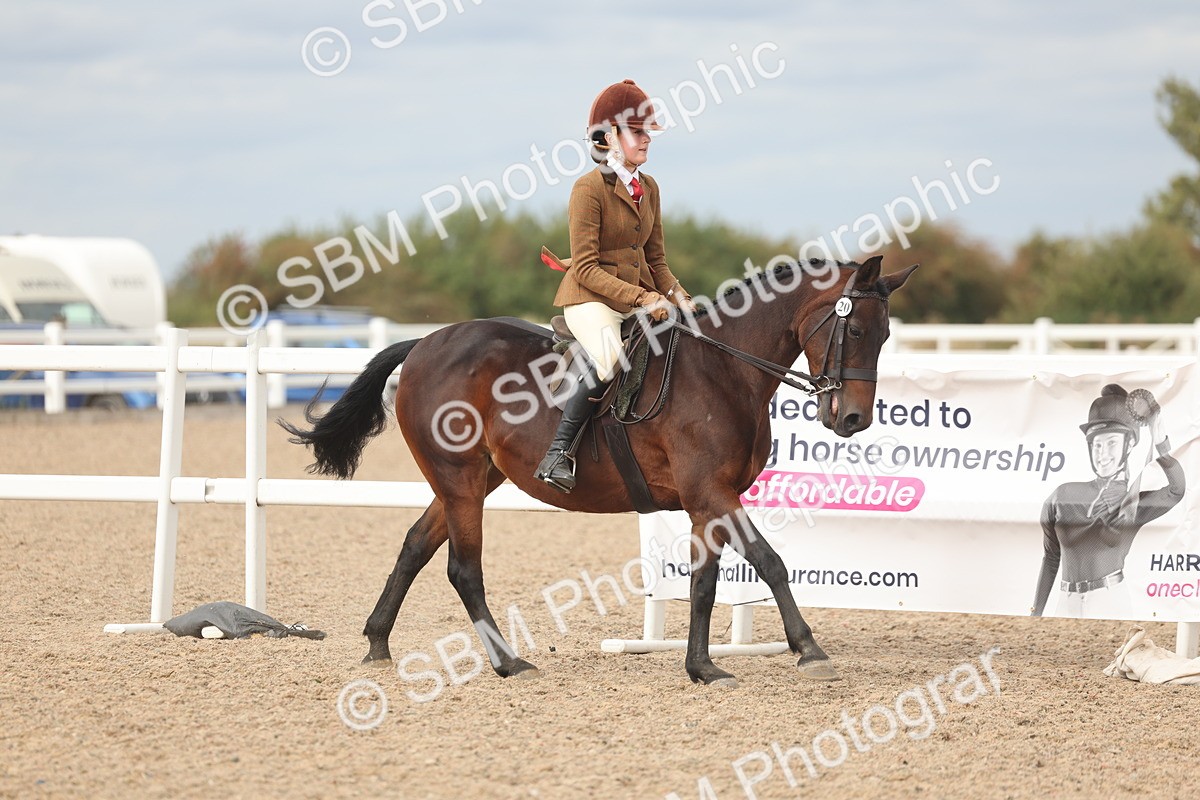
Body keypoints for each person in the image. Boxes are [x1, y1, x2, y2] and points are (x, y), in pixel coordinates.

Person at [534, 79, 695, 493]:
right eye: (637, 132)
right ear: (608, 137)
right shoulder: (587, 190)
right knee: (610, 360)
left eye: (647, 133)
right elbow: (585, 268)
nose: (646, 141)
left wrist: (680, 297)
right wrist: (643, 298)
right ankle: (557, 454)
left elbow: (656, 259)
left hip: (634, 297)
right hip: (590, 298)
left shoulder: (650, 187)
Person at [1031, 384, 1185, 618]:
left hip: (1109, 599)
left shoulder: (1132, 503)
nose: (1102, 454)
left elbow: (1177, 490)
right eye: (1097, 444)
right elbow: (1051, 557)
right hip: (1066, 601)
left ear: (1129, 444)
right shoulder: (1061, 496)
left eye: (1111, 442)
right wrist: (1036, 613)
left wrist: (1161, 444)